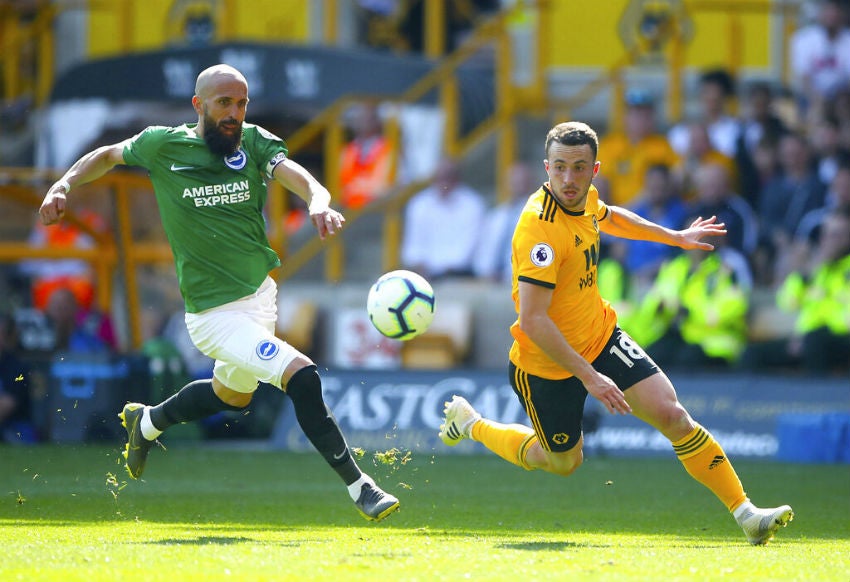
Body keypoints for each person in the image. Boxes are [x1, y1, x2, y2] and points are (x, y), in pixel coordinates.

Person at [37, 64, 399, 522]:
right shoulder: (163, 144)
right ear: (199, 105)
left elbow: (296, 174)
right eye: (224, 103)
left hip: (260, 298)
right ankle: (360, 487)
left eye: (242, 103)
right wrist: (63, 184)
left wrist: (319, 201)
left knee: (233, 396)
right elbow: (108, 155)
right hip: (213, 316)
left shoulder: (252, 141)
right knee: (302, 376)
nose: (234, 113)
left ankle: (145, 422)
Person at [438, 121, 793, 545]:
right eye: (561, 168)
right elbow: (534, 321)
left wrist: (675, 237)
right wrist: (589, 376)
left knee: (673, 416)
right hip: (547, 361)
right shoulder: (538, 230)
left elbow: (609, 216)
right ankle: (472, 422)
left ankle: (747, 514)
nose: (570, 180)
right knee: (562, 463)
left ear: (595, 169)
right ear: (546, 167)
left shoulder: (585, 198)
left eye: (580, 168)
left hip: (601, 335)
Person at [401, 156, 486, 280]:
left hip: (460, 275)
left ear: (457, 179)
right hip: (424, 273)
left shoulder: (473, 205)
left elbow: (468, 251)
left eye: (449, 177)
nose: (444, 183)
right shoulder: (418, 204)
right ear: (433, 179)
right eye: (440, 178)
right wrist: (422, 268)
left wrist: (440, 270)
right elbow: (413, 248)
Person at [596, 89, 678, 207]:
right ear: (625, 116)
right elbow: (600, 181)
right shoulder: (609, 145)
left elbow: (674, 178)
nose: (641, 119)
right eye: (636, 114)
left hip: (649, 212)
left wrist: (631, 209)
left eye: (646, 114)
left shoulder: (662, 146)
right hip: (612, 211)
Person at [338, 102, 395, 209]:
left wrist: (357, 187)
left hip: (376, 209)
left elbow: (383, 186)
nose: (362, 122)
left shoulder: (387, 148)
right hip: (349, 209)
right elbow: (341, 182)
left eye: (367, 118)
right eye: (360, 118)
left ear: (377, 121)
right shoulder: (348, 150)